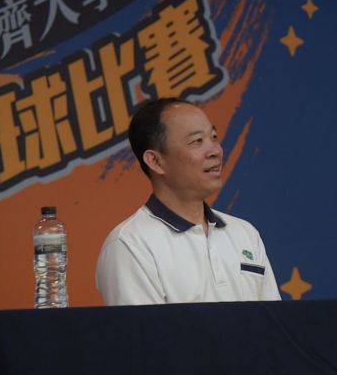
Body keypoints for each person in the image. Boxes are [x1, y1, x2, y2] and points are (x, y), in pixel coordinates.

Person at [96, 97, 280, 305]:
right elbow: (143, 327)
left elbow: (273, 320)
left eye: (214, 137)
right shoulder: (130, 244)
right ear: (155, 161)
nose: (216, 151)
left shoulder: (245, 233)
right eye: (197, 141)